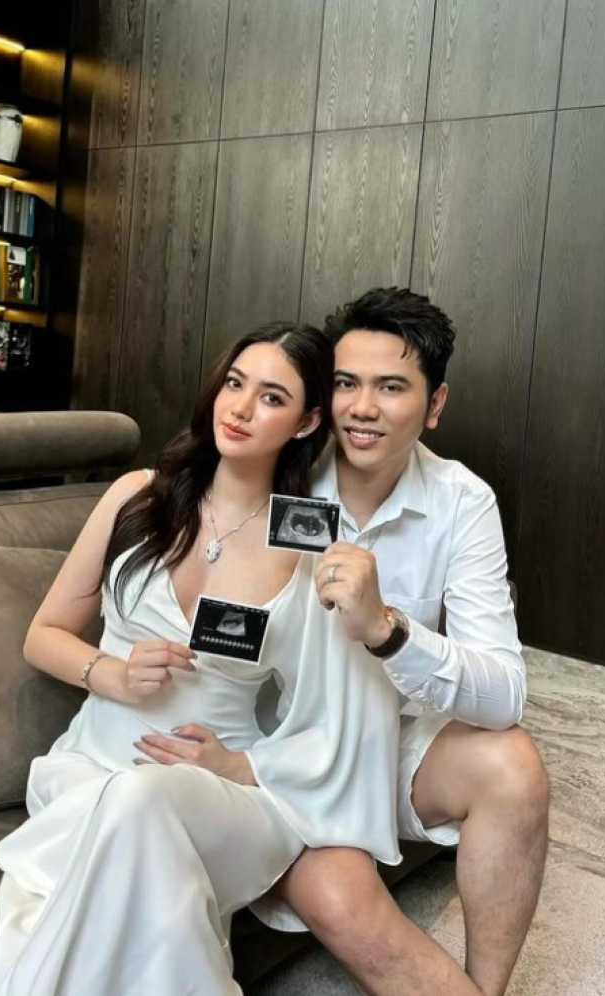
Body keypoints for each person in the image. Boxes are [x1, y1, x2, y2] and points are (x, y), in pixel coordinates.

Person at [139, 288, 550, 996]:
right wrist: (237, 761)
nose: (362, 408)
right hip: (282, 762)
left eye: (391, 387)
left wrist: (388, 630)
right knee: (353, 914)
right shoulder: (276, 478)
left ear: (435, 403)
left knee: (515, 767)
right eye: (345, 384)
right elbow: (209, 638)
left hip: (394, 750)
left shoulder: (461, 500)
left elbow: (504, 694)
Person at [0, 321, 413, 996]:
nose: (240, 408)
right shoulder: (138, 496)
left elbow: (344, 707)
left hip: (223, 797)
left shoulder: (308, 538)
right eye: (234, 384)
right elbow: (43, 633)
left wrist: (242, 765)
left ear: (306, 422)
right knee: (131, 805)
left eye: (271, 398)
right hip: (89, 770)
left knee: (144, 799)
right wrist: (113, 674)